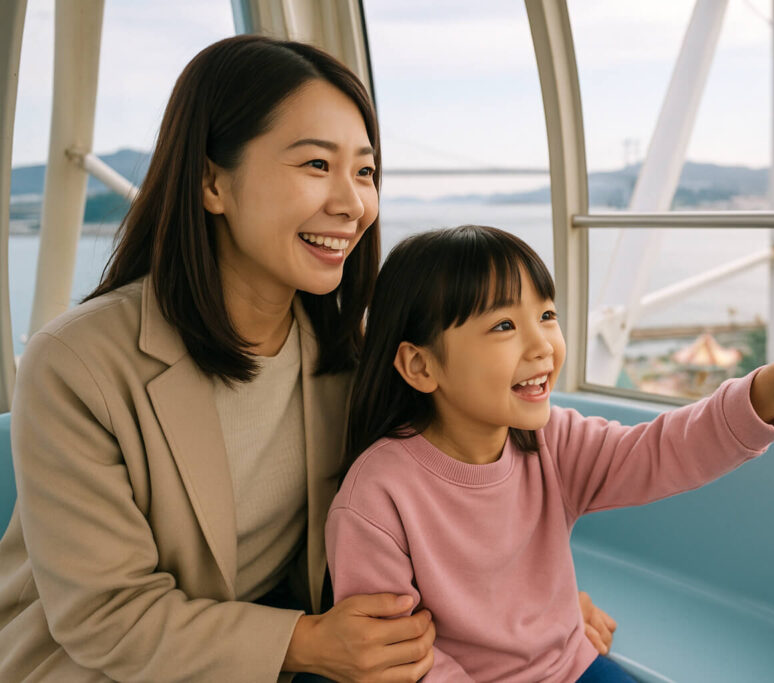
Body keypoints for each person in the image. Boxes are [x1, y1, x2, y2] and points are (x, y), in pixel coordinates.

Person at [0, 37, 614, 682]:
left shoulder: (352, 352)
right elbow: (107, 616)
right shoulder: (76, 366)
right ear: (212, 181)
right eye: (317, 165)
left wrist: (524, 610)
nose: (352, 204)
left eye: (366, 171)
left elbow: (442, 497)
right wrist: (305, 643)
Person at [328, 225, 774, 682]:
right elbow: (399, 662)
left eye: (546, 315)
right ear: (420, 366)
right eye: (504, 324)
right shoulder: (378, 497)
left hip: (573, 666)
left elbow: (664, 451)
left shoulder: (551, 440)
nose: (543, 345)